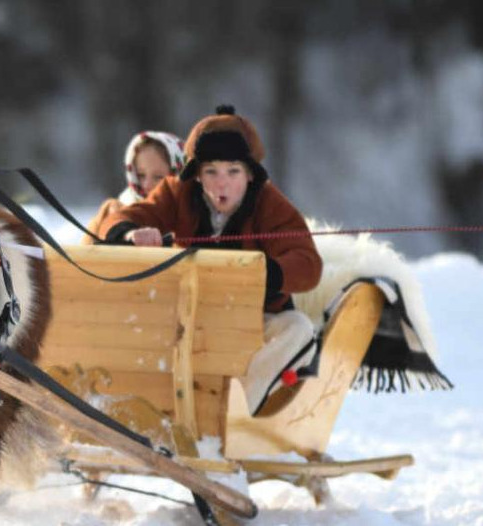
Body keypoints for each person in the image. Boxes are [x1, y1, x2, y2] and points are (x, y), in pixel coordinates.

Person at [98, 105, 323, 416]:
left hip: (251, 324)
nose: (222, 184)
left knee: (298, 328)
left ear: (250, 175)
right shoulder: (177, 192)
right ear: (197, 175)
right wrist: (130, 233)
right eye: (211, 172)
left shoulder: (269, 202)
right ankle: (148, 406)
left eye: (233, 171)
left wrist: (267, 273)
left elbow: (308, 263)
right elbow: (121, 218)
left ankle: (238, 409)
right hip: (189, 317)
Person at [83, 131, 184, 244]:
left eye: (158, 177)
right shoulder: (114, 210)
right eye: (140, 175)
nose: (147, 185)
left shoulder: (191, 216)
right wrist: (127, 233)